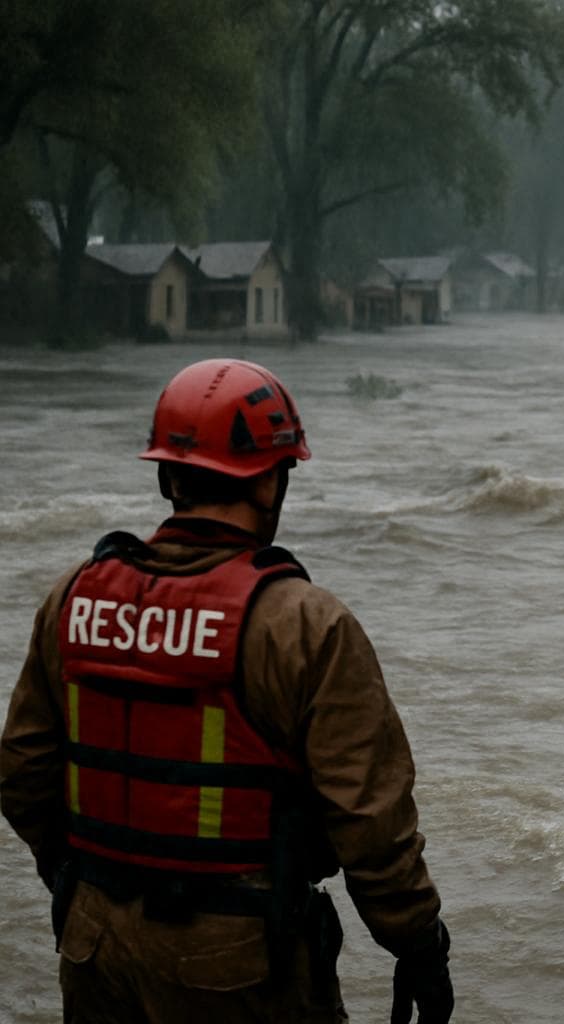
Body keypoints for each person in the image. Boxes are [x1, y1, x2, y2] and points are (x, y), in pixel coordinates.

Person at [1, 359, 453, 1023]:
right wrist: (417, 943)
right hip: (237, 960)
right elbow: (370, 821)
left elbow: (21, 773)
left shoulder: (72, 598)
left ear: (166, 474)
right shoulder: (304, 621)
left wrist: (79, 883)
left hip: (92, 943)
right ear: (271, 481)